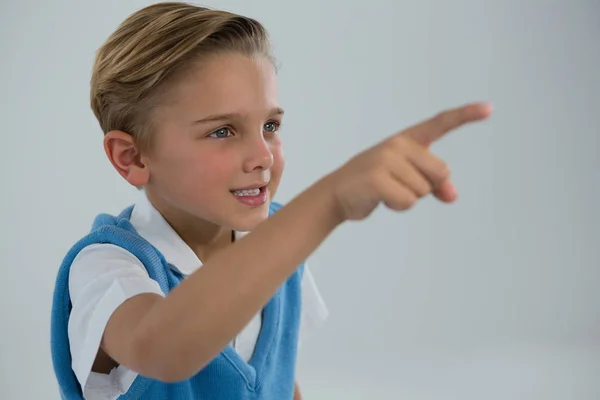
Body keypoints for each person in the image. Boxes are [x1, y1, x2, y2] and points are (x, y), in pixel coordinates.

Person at [50, 2, 492, 399]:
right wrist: (330, 200)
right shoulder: (108, 267)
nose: (263, 156)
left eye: (271, 126)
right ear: (132, 157)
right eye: (222, 131)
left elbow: (275, 378)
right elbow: (165, 348)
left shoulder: (276, 242)